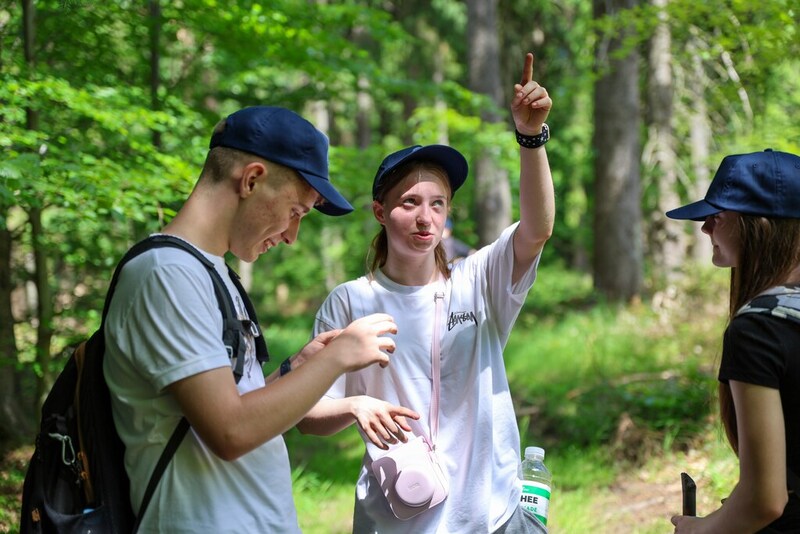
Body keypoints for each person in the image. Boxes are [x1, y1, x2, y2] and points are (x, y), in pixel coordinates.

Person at [103, 106, 398, 533]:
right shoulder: (166, 274)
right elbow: (229, 432)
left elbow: (231, 407)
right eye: (296, 211)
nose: (292, 236)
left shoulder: (209, 271)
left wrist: (296, 369)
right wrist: (336, 361)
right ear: (252, 179)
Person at [296, 52, 555, 533]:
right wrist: (355, 406)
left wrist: (530, 139)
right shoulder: (350, 301)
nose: (425, 217)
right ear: (379, 212)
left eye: (438, 204)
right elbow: (307, 413)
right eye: (409, 202)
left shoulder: (478, 279)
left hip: (493, 514)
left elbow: (537, 229)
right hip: (397, 517)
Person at [667, 149, 800, 533]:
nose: (705, 229)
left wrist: (699, 529)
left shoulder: (759, 327)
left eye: (716, 217)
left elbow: (766, 500)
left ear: (758, 225)